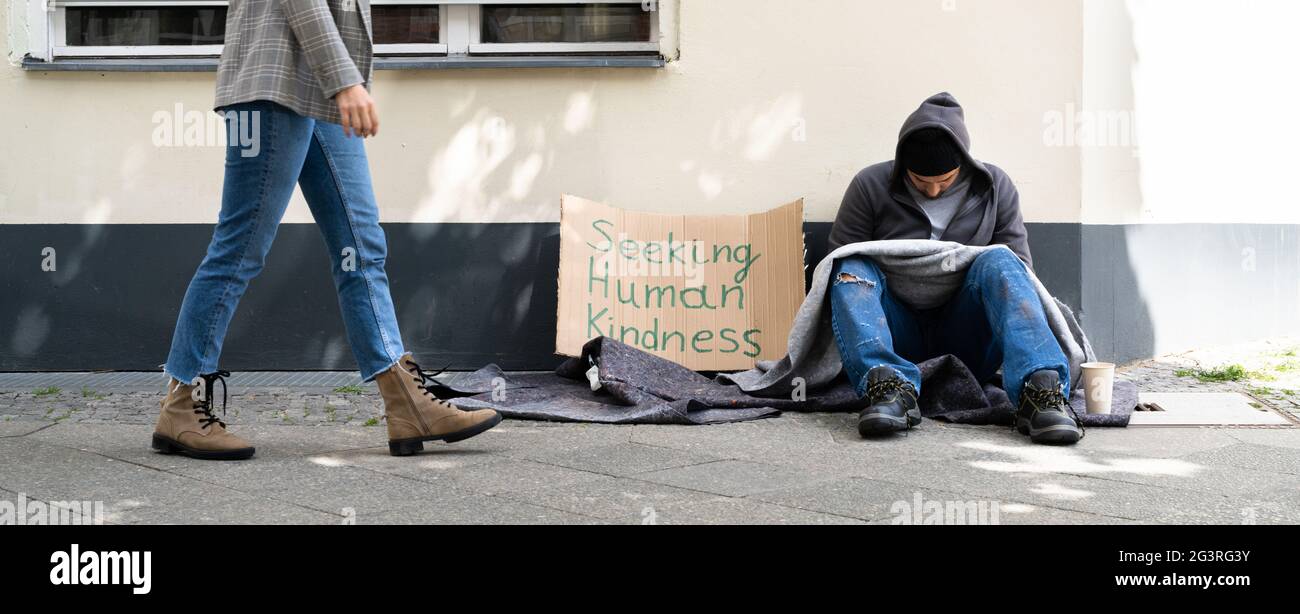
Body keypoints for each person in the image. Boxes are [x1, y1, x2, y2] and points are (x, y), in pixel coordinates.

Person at [152, 0, 500, 461]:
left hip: (318, 89)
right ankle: (182, 403)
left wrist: (338, 80)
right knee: (241, 248)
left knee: (361, 245)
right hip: (273, 84)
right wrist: (345, 79)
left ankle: (407, 404)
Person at [828, 92, 1082, 445]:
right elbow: (835, 263)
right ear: (903, 167)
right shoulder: (870, 185)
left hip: (968, 334)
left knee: (1003, 260)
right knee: (849, 265)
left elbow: (1021, 271)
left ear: (963, 163)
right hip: (895, 333)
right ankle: (885, 387)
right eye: (919, 181)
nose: (932, 191)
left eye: (944, 181)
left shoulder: (995, 186)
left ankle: (1039, 392)